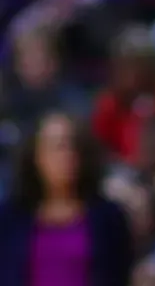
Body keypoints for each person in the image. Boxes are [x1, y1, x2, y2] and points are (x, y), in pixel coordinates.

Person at [0, 112, 134, 285]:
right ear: (36, 156)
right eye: (58, 147)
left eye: (73, 146)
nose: (68, 155)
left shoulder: (108, 217)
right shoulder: (11, 219)